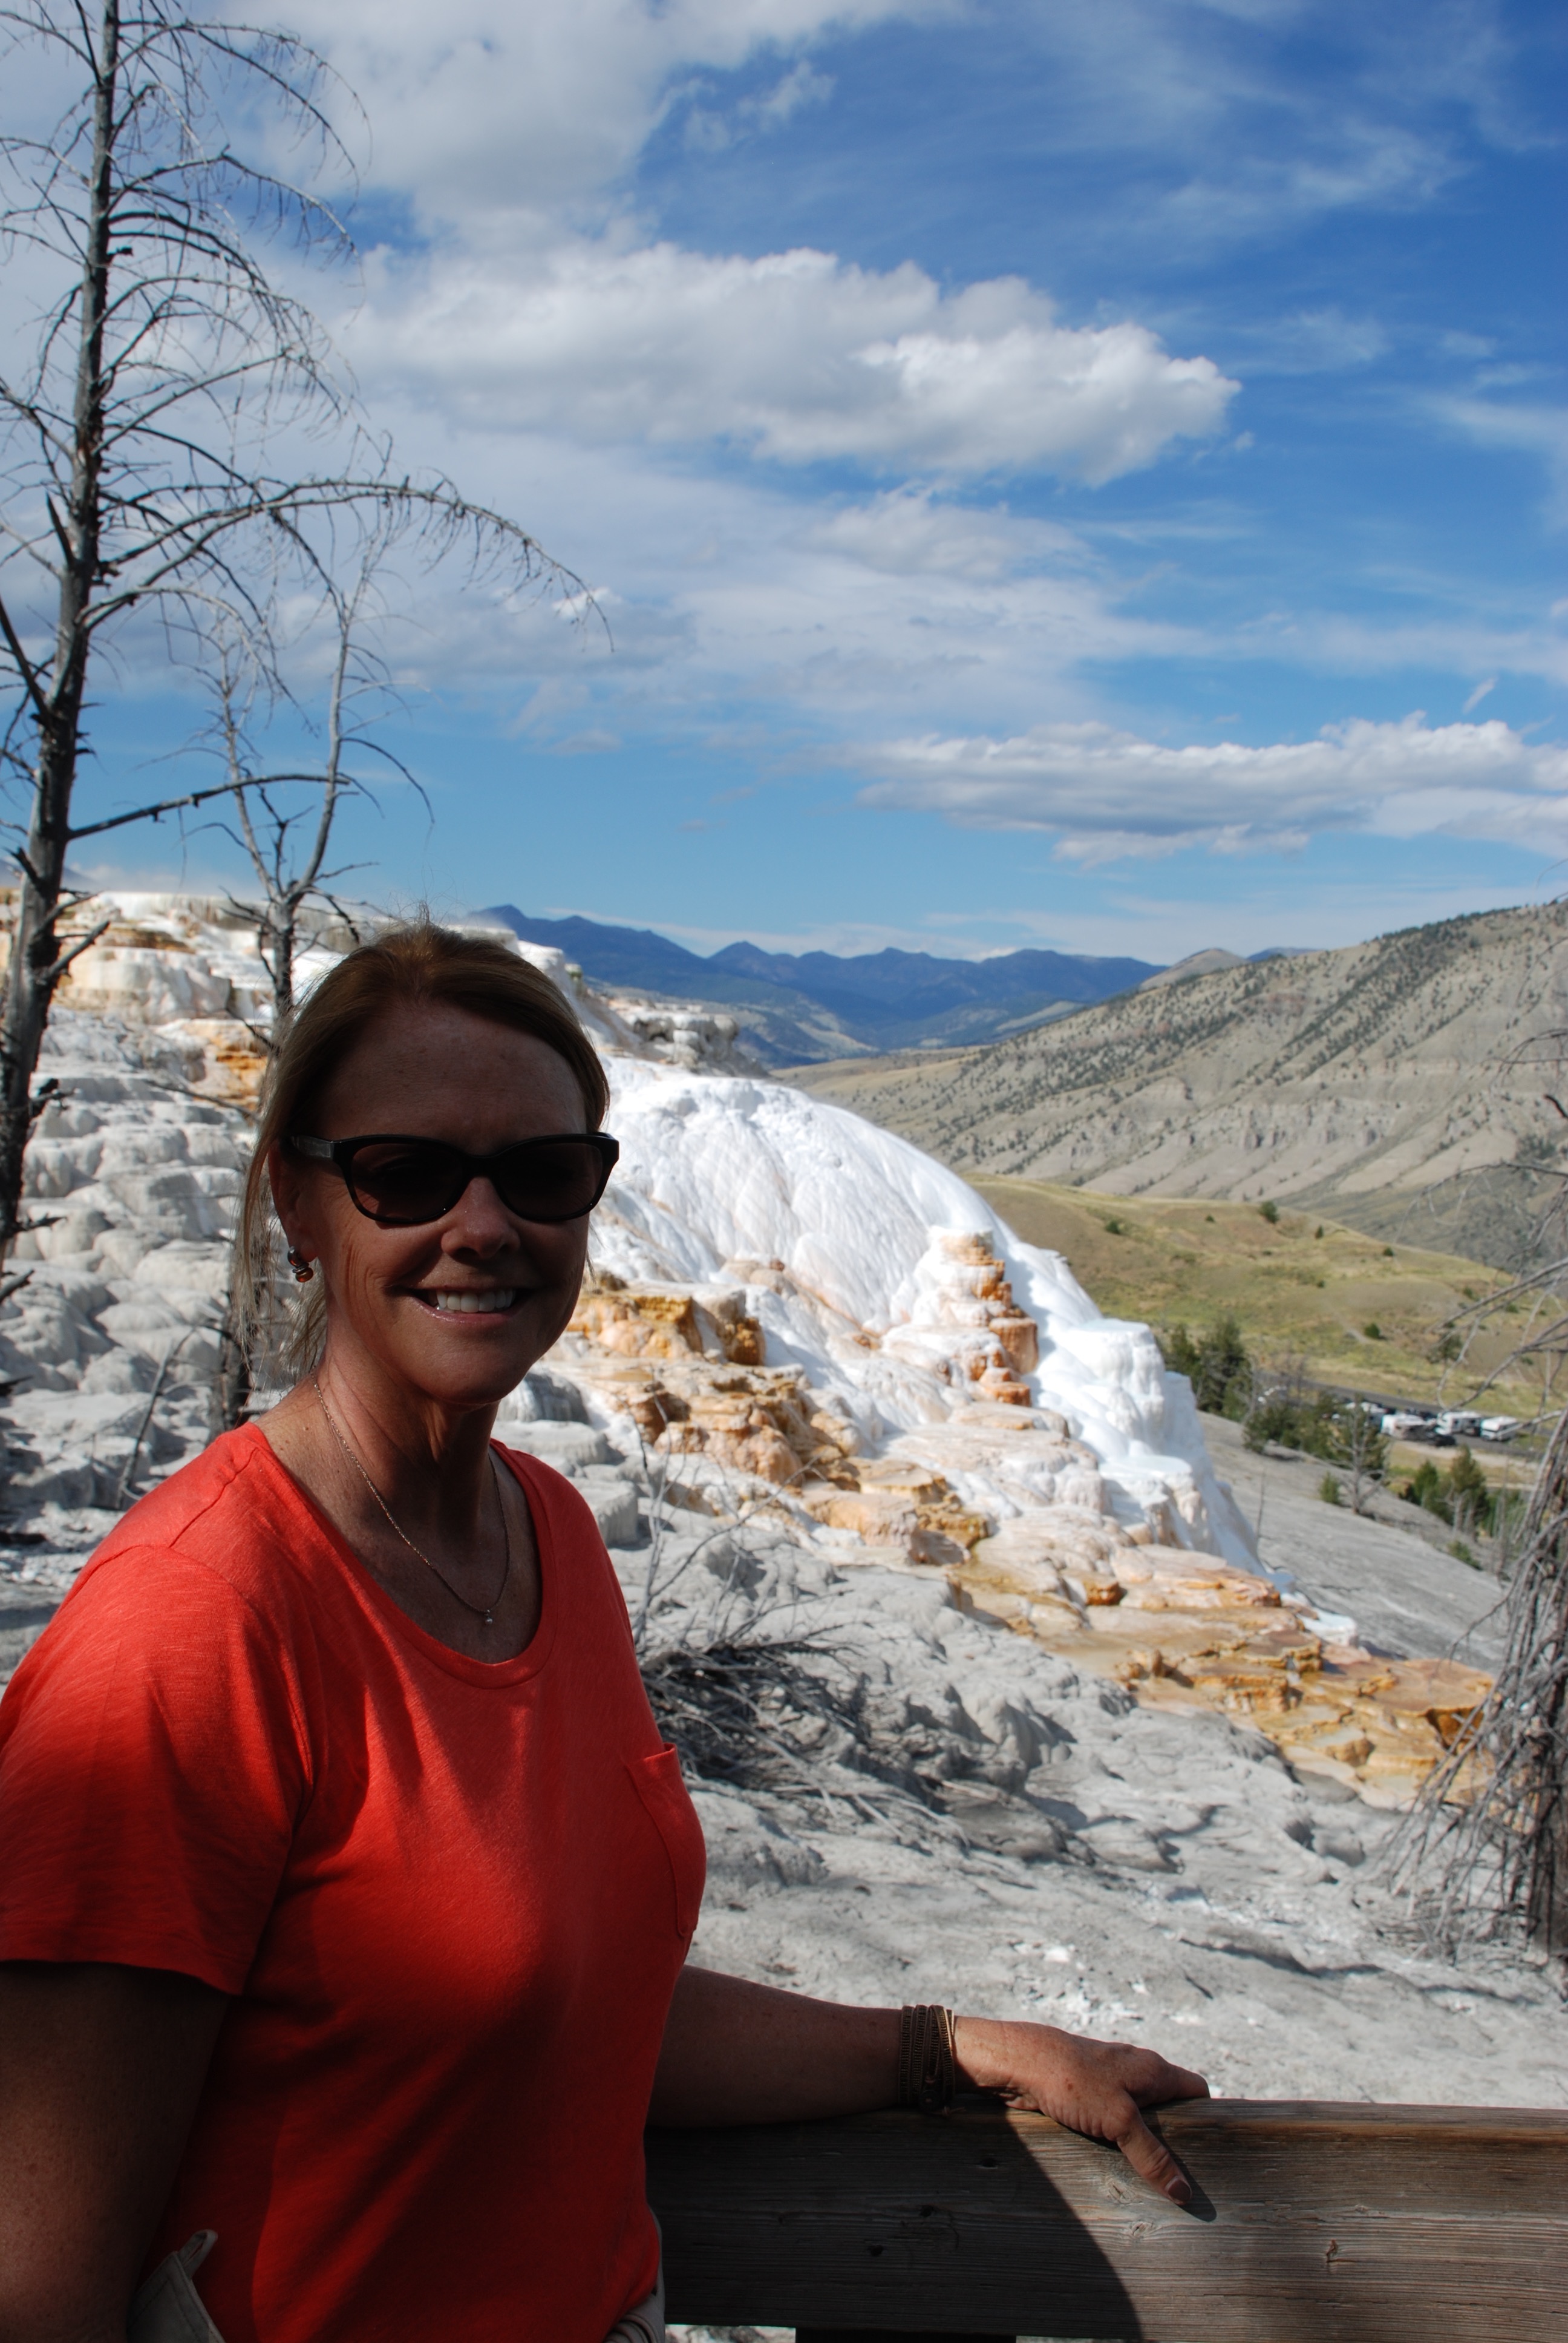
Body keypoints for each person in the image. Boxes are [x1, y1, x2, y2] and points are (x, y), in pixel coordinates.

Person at [0, 922, 1206, 2343]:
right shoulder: (191, 1624)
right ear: (298, 1202)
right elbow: (38, 2279)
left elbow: (570, 2001)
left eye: (542, 1172)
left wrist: (943, 2049)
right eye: (406, 1173)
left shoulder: (549, 1536)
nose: (482, 1224)